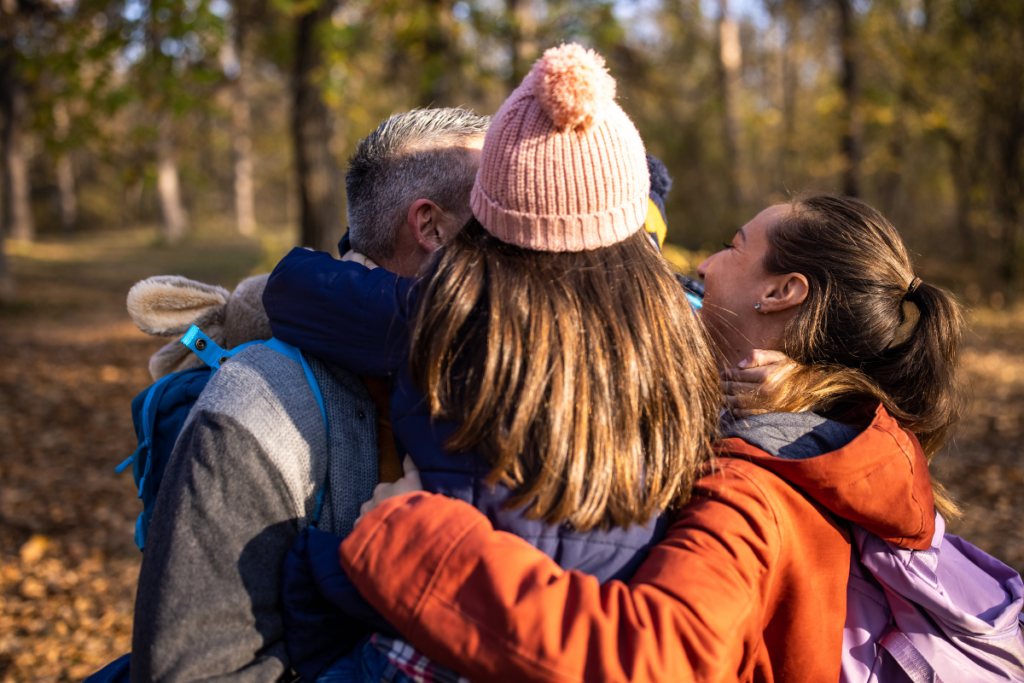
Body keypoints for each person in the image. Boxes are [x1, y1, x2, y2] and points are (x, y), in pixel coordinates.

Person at [331, 195, 974, 682]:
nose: (704, 263)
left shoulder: (758, 486)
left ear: (780, 292)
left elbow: (658, 655)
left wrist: (410, 536)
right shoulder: (833, 431)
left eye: (733, 245)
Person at [262, 43, 721, 679]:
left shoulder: (449, 310)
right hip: (598, 625)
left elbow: (292, 291)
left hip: (457, 629)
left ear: (493, 207)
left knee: (299, 579)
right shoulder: (683, 325)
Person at [126, 107, 490, 683]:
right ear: (432, 227)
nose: (523, 234)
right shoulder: (258, 407)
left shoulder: (488, 375)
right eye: (496, 212)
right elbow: (196, 670)